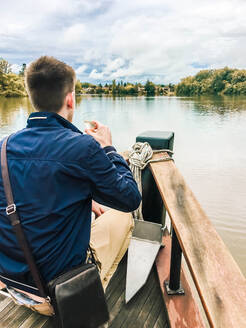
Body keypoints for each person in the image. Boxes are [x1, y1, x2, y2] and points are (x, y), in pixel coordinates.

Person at [0, 56, 141, 316]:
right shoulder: (82, 147)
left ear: (32, 97)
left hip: (12, 284)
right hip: (56, 294)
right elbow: (131, 198)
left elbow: (39, 190)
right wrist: (109, 148)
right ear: (70, 99)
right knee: (122, 217)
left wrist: (87, 199)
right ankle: (91, 296)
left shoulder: (3, 147)